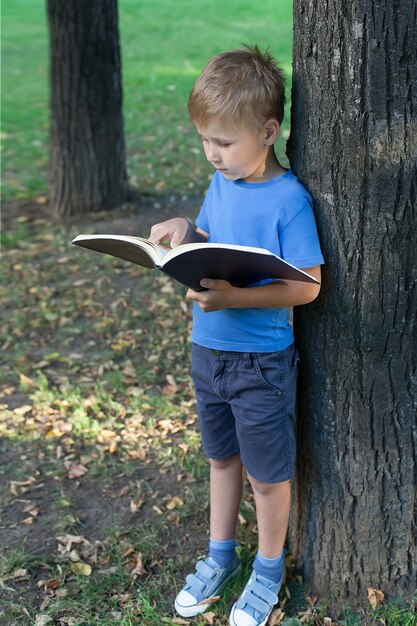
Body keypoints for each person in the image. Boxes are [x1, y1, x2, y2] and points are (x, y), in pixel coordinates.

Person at [149, 44, 324, 626]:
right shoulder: (222, 181)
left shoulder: (289, 201)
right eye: (205, 140)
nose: (213, 154)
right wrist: (185, 229)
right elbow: (211, 240)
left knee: (266, 477)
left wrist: (234, 299)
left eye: (223, 142)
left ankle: (268, 571)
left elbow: (307, 288)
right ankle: (219, 556)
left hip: (260, 364)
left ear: (268, 131)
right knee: (220, 461)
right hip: (209, 352)